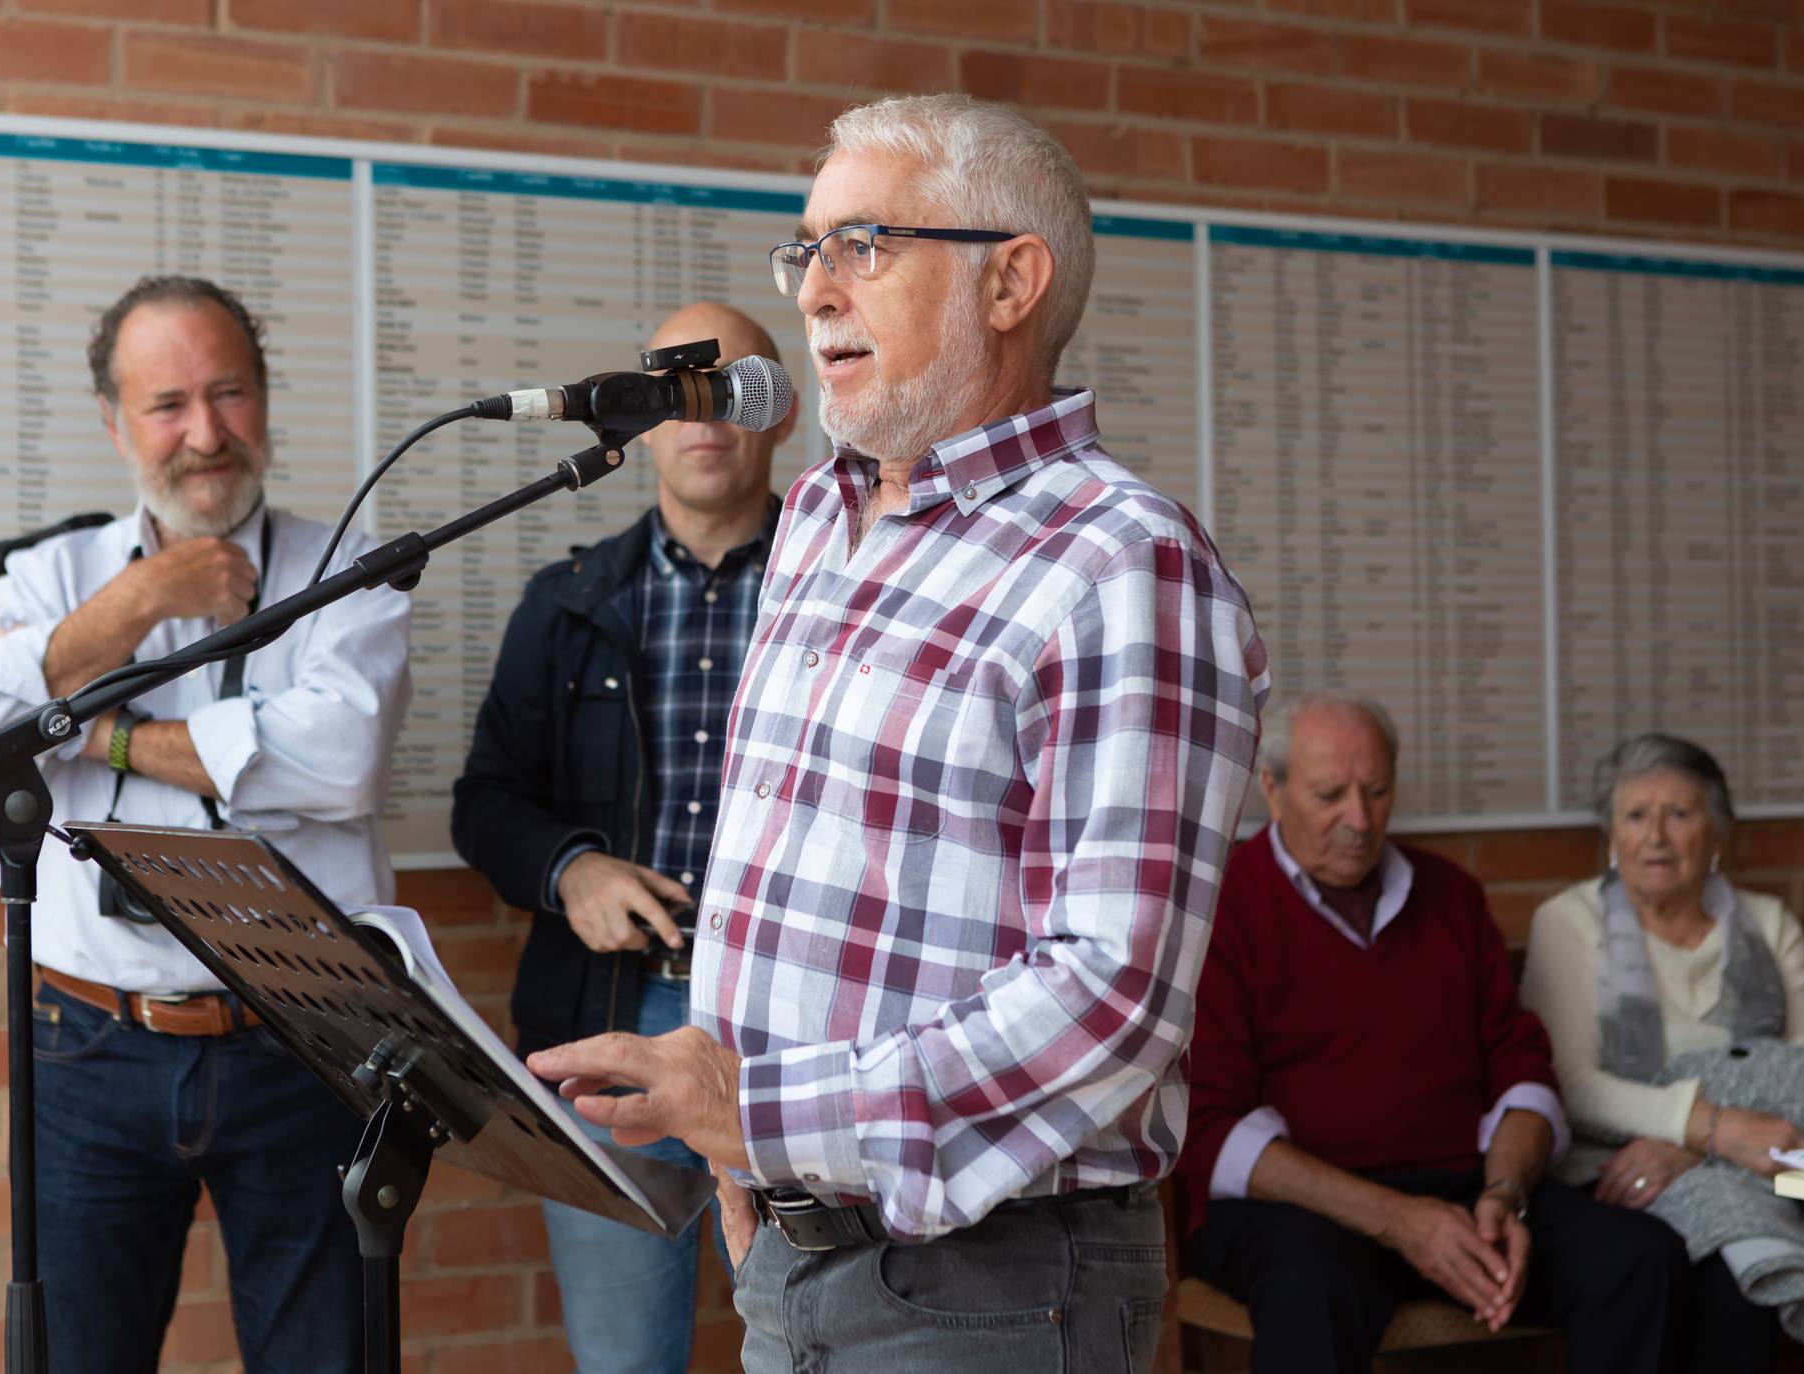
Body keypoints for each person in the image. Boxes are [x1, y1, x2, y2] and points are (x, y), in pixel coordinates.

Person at [523, 93, 1270, 1373]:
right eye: (806, 249)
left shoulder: (1120, 561)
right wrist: (750, 1149)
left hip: (991, 1283)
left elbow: (1115, 996)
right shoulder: (818, 515)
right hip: (792, 1245)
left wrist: (756, 1112)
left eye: (863, 244)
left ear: (1008, 283)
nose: (816, 291)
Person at [0, 276, 411, 1374]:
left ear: (265, 397)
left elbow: (338, 761)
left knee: (324, 1359)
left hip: (301, 1038)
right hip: (86, 1046)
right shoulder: (54, 574)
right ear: (115, 422)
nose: (204, 433)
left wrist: (98, 734)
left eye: (228, 393)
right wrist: (134, 607)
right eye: (167, 404)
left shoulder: (351, 568)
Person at [451, 301, 799, 1374]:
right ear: (636, 421)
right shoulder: (567, 602)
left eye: (728, 382)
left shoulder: (843, 593)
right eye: (669, 387)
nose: (700, 412)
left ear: (780, 412)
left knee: (816, 1347)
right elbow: (486, 802)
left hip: (792, 1037)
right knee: (621, 1362)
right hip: (613, 1021)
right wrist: (571, 870)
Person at [1180, 694, 1689, 1374]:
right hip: (1302, 1207)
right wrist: (1399, 1220)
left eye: (1377, 791)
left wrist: (1503, 1195)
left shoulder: (1449, 894)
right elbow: (1209, 1127)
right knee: (1311, 1289)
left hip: (1464, 1192)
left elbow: (1521, 1067)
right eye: (1329, 795)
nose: (1359, 821)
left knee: (1637, 1257)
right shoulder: (1220, 907)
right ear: (1270, 789)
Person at [1522, 733, 1804, 1371]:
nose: (1656, 836)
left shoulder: (1770, 923)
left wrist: (1699, 1142)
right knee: (1730, 1276)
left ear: (1716, 836)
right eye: (1636, 815)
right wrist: (1712, 1130)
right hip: (1622, 1164)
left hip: (1778, 1153)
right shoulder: (1568, 923)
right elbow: (1569, 1082)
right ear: (1610, 839)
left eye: (1679, 814)